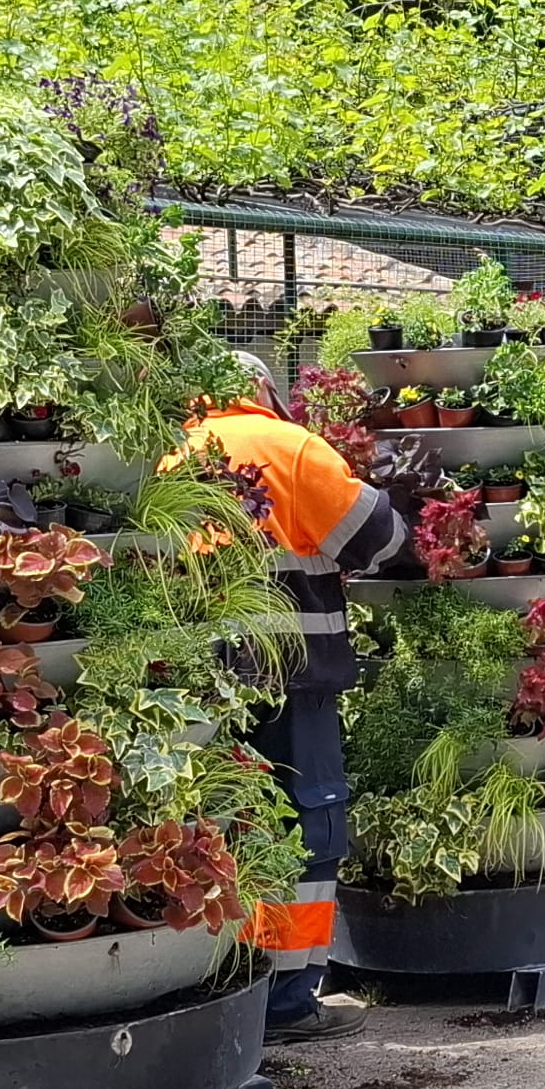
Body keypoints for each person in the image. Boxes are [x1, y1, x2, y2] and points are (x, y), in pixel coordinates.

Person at [175, 353, 409, 1042]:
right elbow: (379, 539)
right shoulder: (290, 448)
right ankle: (285, 999)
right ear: (266, 391)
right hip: (291, 682)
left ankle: (221, 989)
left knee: (216, 829)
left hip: (192, 694)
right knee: (308, 831)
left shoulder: (167, 456)